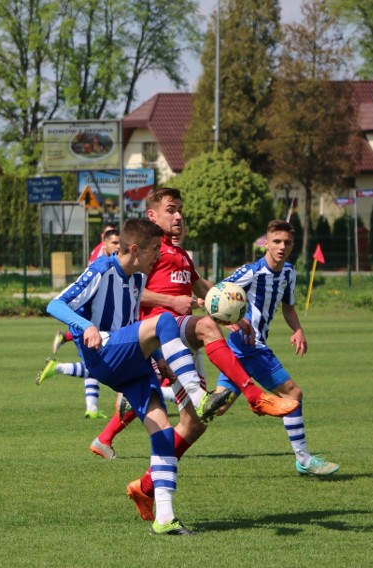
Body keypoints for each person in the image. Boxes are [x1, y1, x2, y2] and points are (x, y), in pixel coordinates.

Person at [92, 187, 299, 522]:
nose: (178, 216)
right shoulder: (149, 251)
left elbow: (201, 286)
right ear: (152, 216)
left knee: (194, 425)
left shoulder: (180, 254)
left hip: (181, 337)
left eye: (180, 210)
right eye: (171, 210)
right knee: (206, 329)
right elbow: (132, 292)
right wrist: (171, 302)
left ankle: (144, 486)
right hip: (158, 338)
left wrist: (235, 313)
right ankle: (254, 395)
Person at [43, 218, 208, 535]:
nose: (159, 256)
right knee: (163, 321)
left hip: (131, 362)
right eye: (154, 250)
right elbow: (55, 303)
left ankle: (165, 519)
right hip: (104, 354)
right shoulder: (101, 269)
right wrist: (86, 326)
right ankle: (199, 396)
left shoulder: (137, 279)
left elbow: (133, 327)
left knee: (162, 432)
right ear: (135, 249)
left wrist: (160, 360)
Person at [208, 220, 340, 476]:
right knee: (293, 394)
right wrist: (229, 323)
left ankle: (168, 392)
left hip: (242, 350)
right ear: (265, 243)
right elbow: (216, 295)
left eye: (287, 242)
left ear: (293, 245)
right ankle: (304, 459)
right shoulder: (252, 271)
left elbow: (288, 307)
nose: (281, 246)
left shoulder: (289, 272)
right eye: (276, 241)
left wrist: (297, 329)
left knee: (217, 406)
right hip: (249, 346)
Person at [45, 227, 121, 418]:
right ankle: (58, 367)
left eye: (121, 243)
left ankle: (92, 408)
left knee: (96, 368)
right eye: (114, 242)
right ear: (104, 242)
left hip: (95, 323)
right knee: (98, 368)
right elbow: (79, 292)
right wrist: (86, 325)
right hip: (85, 322)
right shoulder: (100, 262)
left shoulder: (118, 261)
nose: (118, 246)